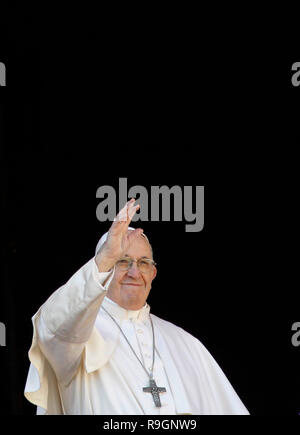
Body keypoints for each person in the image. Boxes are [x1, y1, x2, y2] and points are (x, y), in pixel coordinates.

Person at [24, 199, 249, 415]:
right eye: (122, 261)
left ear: (153, 274)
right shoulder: (77, 336)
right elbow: (50, 326)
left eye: (143, 263)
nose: (134, 272)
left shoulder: (186, 343)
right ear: (105, 269)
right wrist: (106, 256)